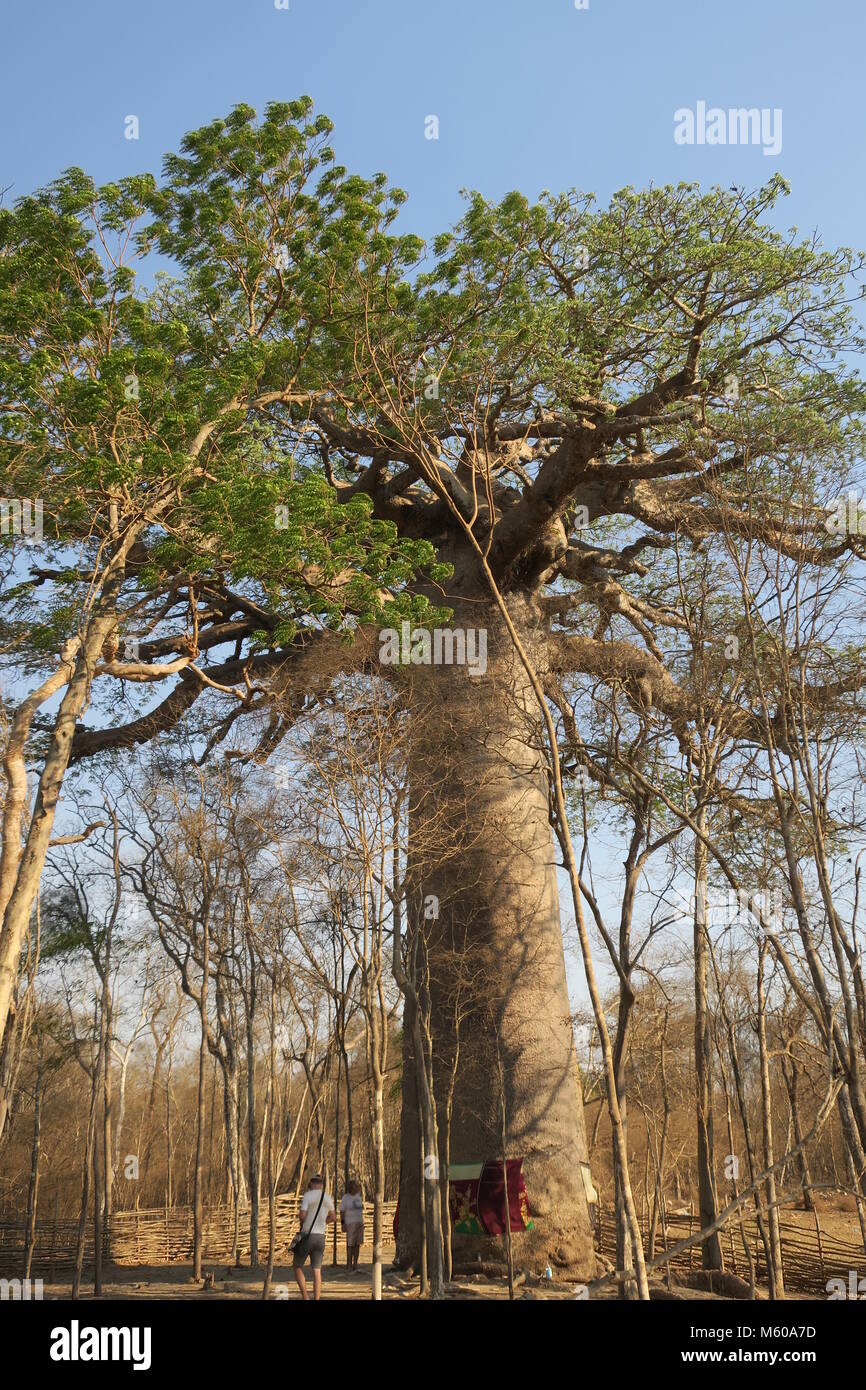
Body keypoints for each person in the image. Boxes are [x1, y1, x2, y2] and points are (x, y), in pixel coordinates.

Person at [293, 1174, 336, 1300]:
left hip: (308, 1236)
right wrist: (323, 1222)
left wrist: (306, 1222)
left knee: (297, 1266)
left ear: (311, 1183)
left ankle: (306, 1296)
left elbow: (302, 1216)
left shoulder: (308, 1195)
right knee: (317, 1270)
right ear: (321, 1184)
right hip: (320, 1237)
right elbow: (333, 1217)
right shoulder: (328, 1197)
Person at [339, 1180, 365, 1271]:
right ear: (351, 1188)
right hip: (350, 1223)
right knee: (350, 1245)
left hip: (359, 1223)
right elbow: (342, 1211)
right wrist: (342, 1223)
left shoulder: (358, 1197)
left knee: (357, 1244)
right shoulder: (346, 1198)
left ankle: (355, 1264)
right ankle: (349, 1264)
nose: (357, 1187)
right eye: (355, 1186)